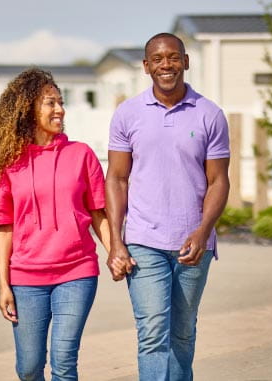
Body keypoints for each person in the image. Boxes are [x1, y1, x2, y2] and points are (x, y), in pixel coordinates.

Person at [105, 33, 230, 381]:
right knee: (152, 334)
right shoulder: (127, 114)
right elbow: (116, 179)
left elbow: (219, 181)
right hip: (144, 240)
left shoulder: (210, 114)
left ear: (186, 62)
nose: (166, 65)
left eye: (173, 57)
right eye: (158, 59)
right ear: (146, 66)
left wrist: (203, 230)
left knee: (183, 332)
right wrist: (116, 241)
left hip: (193, 243)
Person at [0, 67, 110, 381]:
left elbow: (99, 214)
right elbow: (3, 228)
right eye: (50, 103)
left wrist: (116, 252)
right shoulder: (6, 162)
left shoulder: (81, 155)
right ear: (27, 109)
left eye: (60, 102)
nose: (60, 109)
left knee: (64, 362)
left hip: (76, 273)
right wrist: (4, 285)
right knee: (28, 368)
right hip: (26, 279)